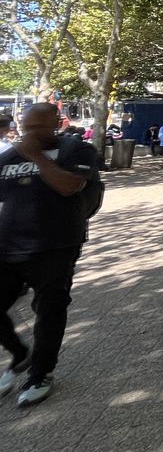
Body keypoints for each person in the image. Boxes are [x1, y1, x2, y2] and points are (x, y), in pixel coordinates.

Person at [0, 103, 103, 408]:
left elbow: (69, 186)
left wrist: (34, 156)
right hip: (8, 245)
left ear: (56, 124)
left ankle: (40, 373)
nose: (27, 134)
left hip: (56, 245)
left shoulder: (76, 151)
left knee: (49, 310)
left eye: (36, 128)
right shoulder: (9, 157)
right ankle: (20, 354)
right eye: (25, 128)